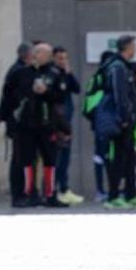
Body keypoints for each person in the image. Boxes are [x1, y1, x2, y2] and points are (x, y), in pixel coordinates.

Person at [12, 43, 67, 208]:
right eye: (40, 53)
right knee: (28, 160)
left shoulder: (55, 73)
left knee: (50, 160)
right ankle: (29, 194)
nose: (42, 57)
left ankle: (50, 194)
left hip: (47, 124)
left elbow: (61, 97)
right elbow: (13, 94)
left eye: (47, 54)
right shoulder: (22, 72)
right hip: (27, 124)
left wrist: (46, 92)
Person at [95, 35, 136, 209]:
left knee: (130, 158)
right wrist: (124, 117)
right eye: (133, 46)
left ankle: (131, 195)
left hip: (128, 120)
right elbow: (120, 95)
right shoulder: (117, 67)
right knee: (118, 159)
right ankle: (113, 196)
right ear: (127, 47)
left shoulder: (124, 66)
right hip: (120, 121)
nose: (135, 49)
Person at [0, 41, 34, 203]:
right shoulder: (20, 71)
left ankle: (24, 193)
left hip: (18, 120)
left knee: (22, 158)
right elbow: (11, 97)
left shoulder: (19, 70)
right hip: (19, 122)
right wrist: (2, 114)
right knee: (19, 159)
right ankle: (18, 194)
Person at [53, 47, 84, 204]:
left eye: (65, 58)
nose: (63, 61)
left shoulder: (66, 75)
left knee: (65, 158)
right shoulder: (52, 75)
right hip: (56, 124)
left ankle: (64, 189)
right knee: (56, 159)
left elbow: (77, 88)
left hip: (66, 123)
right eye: (60, 58)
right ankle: (55, 190)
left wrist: (69, 73)